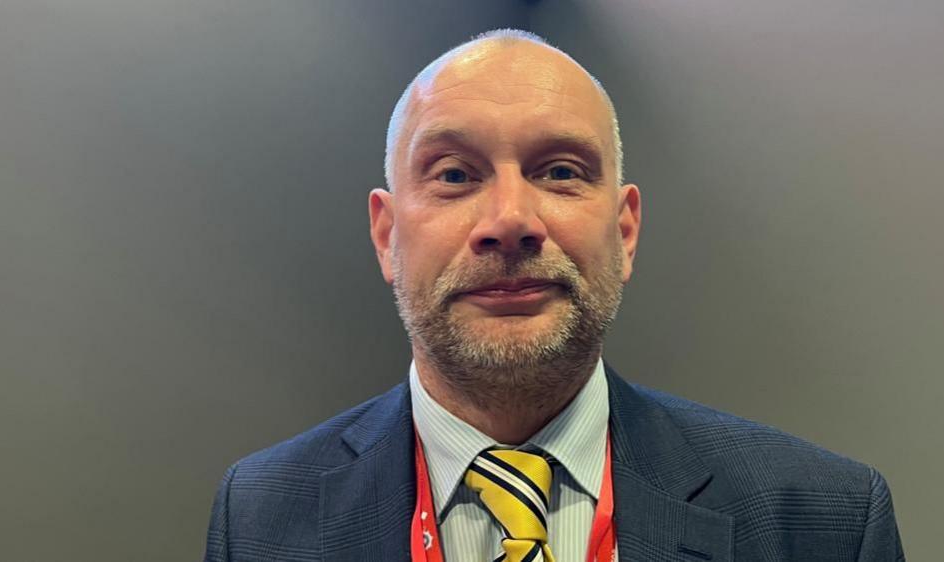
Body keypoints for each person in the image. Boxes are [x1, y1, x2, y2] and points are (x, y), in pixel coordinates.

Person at [203, 29, 904, 562]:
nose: (510, 220)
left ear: (624, 231)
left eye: (560, 170)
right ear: (387, 235)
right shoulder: (262, 517)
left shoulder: (824, 521)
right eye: (452, 175)